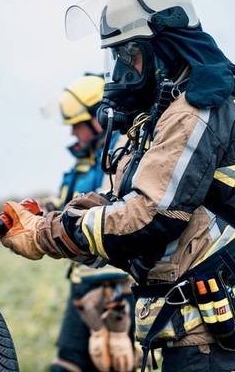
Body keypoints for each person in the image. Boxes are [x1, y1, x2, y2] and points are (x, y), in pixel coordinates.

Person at [0, 0, 235, 371]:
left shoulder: (193, 112)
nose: (123, 69)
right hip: (196, 329)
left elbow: (148, 217)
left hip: (212, 337)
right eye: (117, 56)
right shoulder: (167, 111)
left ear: (165, 49)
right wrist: (50, 222)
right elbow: (121, 201)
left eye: (131, 54)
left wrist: (44, 234)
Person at [48, 74, 137, 372]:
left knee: (120, 364)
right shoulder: (82, 164)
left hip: (120, 290)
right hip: (82, 286)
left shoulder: (122, 157)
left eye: (77, 124)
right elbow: (64, 207)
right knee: (67, 364)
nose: (72, 132)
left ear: (99, 119)